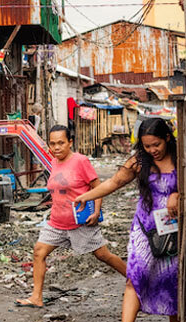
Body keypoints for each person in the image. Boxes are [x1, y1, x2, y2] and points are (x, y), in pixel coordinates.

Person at [74, 117, 180, 322]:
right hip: (144, 229)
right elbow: (113, 182)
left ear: (167, 139)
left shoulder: (183, 158)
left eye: (156, 145)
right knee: (135, 277)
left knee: (172, 278)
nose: (152, 150)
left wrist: (179, 195)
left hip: (174, 229)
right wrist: (86, 197)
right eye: (147, 146)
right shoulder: (139, 162)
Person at [16, 125, 126, 308]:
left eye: (61, 143)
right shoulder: (53, 162)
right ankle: (36, 297)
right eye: (53, 144)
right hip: (57, 222)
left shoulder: (80, 161)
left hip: (80, 222)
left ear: (70, 142)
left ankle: (136, 281)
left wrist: (96, 211)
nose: (56, 147)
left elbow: (98, 187)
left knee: (103, 255)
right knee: (39, 252)